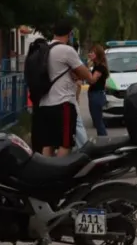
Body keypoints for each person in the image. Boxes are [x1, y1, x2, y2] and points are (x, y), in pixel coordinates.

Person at [30, 21, 94, 156]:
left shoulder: (45, 49)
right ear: (70, 34)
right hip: (62, 103)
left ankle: (47, 172)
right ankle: (59, 174)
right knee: (65, 144)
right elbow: (87, 75)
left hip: (44, 104)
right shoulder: (66, 50)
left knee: (48, 144)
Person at [86, 44, 110, 136]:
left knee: (98, 121)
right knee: (97, 120)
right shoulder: (97, 66)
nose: (89, 54)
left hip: (96, 95)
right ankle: (102, 138)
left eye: (92, 52)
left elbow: (92, 80)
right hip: (95, 94)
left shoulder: (100, 67)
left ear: (97, 54)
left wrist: (87, 68)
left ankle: (104, 140)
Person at [70, 40, 88, 148]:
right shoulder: (76, 60)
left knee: (77, 124)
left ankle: (83, 147)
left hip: (70, 95)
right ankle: (82, 146)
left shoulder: (73, 60)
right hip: (71, 96)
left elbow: (79, 82)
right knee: (77, 123)